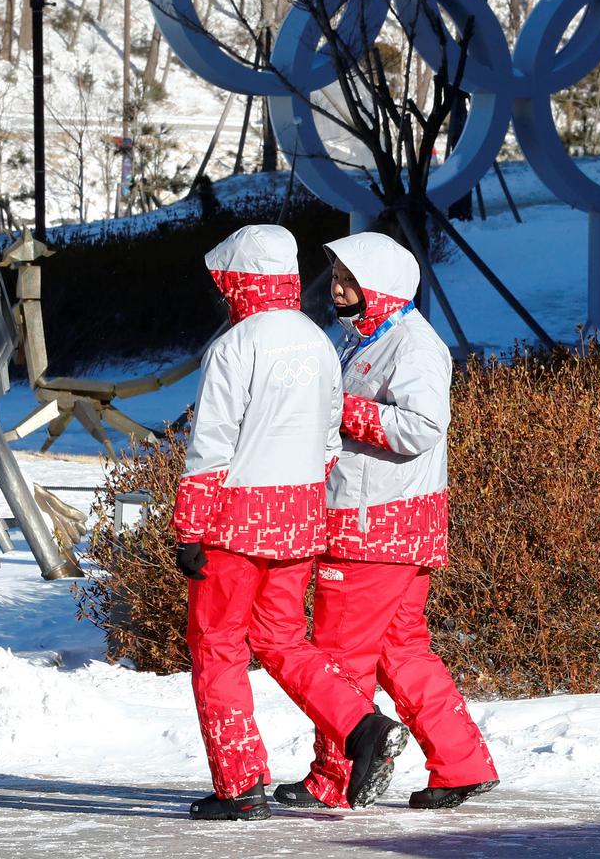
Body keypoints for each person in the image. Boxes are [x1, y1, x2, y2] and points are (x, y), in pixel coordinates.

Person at [173, 224, 410, 821]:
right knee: (283, 639)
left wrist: (190, 527)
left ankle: (240, 784)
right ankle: (360, 724)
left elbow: (212, 444)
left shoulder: (234, 346)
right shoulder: (317, 341)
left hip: (232, 523)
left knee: (217, 644)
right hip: (300, 518)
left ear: (238, 281)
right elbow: (331, 440)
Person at [275, 231, 498, 812]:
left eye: (351, 281)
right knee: (400, 651)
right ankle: (461, 763)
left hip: (375, 525)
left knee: (338, 653)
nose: (339, 290)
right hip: (394, 522)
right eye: (338, 279)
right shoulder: (365, 340)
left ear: (383, 288)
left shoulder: (413, 346)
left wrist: (339, 410)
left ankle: (337, 778)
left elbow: (422, 426)